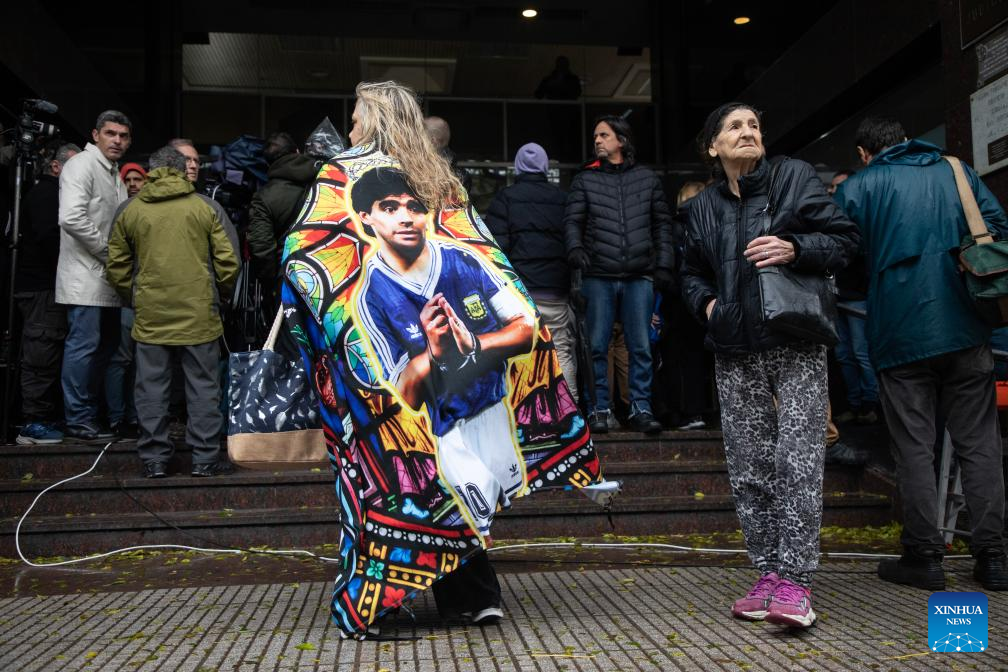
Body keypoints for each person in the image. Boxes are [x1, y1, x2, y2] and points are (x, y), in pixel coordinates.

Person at [682, 102, 859, 628]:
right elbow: (689, 272)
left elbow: (846, 240)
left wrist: (794, 247)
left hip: (795, 338)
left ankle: (796, 582)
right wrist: (708, 307)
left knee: (797, 460)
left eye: (755, 125)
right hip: (735, 346)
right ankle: (768, 572)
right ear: (712, 146)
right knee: (749, 466)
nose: (748, 132)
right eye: (734, 126)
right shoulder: (701, 207)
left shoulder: (793, 178)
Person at [835, 116, 1008, 591]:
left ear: (864, 154)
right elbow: (996, 228)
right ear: (907, 141)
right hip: (965, 326)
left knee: (913, 444)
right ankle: (993, 556)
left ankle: (923, 556)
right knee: (979, 442)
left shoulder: (859, 187)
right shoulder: (956, 170)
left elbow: (838, 253)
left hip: (899, 333)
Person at [352, 166, 534, 532]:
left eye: (415, 206)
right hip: (448, 432)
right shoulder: (371, 294)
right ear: (366, 217)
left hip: (495, 408)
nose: (405, 217)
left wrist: (475, 344)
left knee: (504, 509)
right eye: (390, 207)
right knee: (471, 527)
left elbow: (526, 329)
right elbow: (405, 392)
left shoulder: (462, 260)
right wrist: (434, 353)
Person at [106, 146, 240, 478]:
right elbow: (228, 262)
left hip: (150, 313)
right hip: (199, 313)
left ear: (151, 172)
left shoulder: (130, 210)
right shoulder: (206, 207)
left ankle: (154, 459)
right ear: (183, 171)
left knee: (151, 388)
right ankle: (205, 458)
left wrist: (134, 298)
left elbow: (116, 266)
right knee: (204, 386)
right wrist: (218, 297)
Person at [564, 114, 673, 434]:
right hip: (598, 274)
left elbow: (662, 224)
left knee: (640, 347)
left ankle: (641, 408)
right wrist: (574, 249)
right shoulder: (585, 179)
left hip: (640, 275)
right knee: (597, 346)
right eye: (595, 136)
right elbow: (572, 221)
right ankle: (599, 409)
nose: (597, 140)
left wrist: (664, 265)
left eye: (603, 135)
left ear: (621, 140)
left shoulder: (647, 179)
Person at [57, 110, 132, 442]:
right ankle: (78, 419)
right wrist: (110, 253)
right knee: (84, 346)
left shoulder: (113, 173)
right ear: (95, 134)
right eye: (111, 133)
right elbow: (71, 218)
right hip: (85, 277)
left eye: (123, 136)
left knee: (108, 347)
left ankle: (90, 414)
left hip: (108, 279)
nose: (117, 140)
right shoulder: (82, 165)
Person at [485, 142, 577, 400]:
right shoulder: (562, 199)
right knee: (560, 349)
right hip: (555, 290)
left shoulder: (505, 198)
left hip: (519, 293)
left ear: (518, 167)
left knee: (521, 353)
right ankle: (570, 407)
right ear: (545, 167)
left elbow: (496, 249)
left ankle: (525, 411)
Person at [14, 142, 80, 444]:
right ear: (56, 167)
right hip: (42, 287)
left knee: (48, 351)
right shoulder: (47, 194)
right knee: (41, 352)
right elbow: (49, 239)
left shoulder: (56, 194)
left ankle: (43, 416)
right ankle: (34, 422)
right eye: (75, 166)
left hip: (47, 286)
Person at [247, 131, 322, 318]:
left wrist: (271, 283)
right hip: (328, 272)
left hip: (289, 278)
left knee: (292, 334)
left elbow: (261, 247)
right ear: (297, 151)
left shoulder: (264, 197)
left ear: (268, 163)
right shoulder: (324, 180)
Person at [423, 116, 472, 193]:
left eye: (419, 137)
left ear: (433, 141)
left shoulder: (455, 179)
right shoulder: (460, 176)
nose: (414, 141)